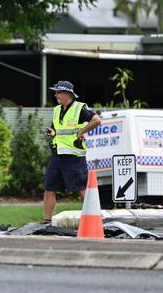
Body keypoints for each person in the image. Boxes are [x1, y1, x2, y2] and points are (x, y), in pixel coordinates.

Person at [43, 80, 101, 223]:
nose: (56, 95)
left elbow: (96, 120)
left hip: (74, 156)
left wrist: (81, 132)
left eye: (58, 92)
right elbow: (57, 129)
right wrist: (52, 132)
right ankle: (46, 222)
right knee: (49, 188)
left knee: (81, 189)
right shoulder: (57, 110)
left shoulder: (79, 108)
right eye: (55, 92)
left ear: (68, 94)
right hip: (57, 155)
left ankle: (95, 220)